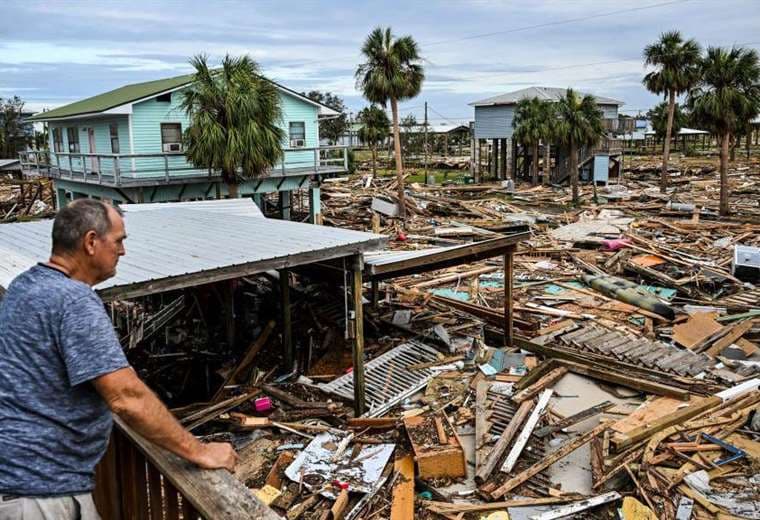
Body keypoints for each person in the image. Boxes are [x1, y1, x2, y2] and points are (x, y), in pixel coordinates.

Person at [0, 199, 237, 519]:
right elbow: (126, 397)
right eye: (119, 240)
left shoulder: (24, 286)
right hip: (40, 492)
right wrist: (201, 451)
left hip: (24, 480)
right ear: (91, 242)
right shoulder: (73, 300)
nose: (123, 251)